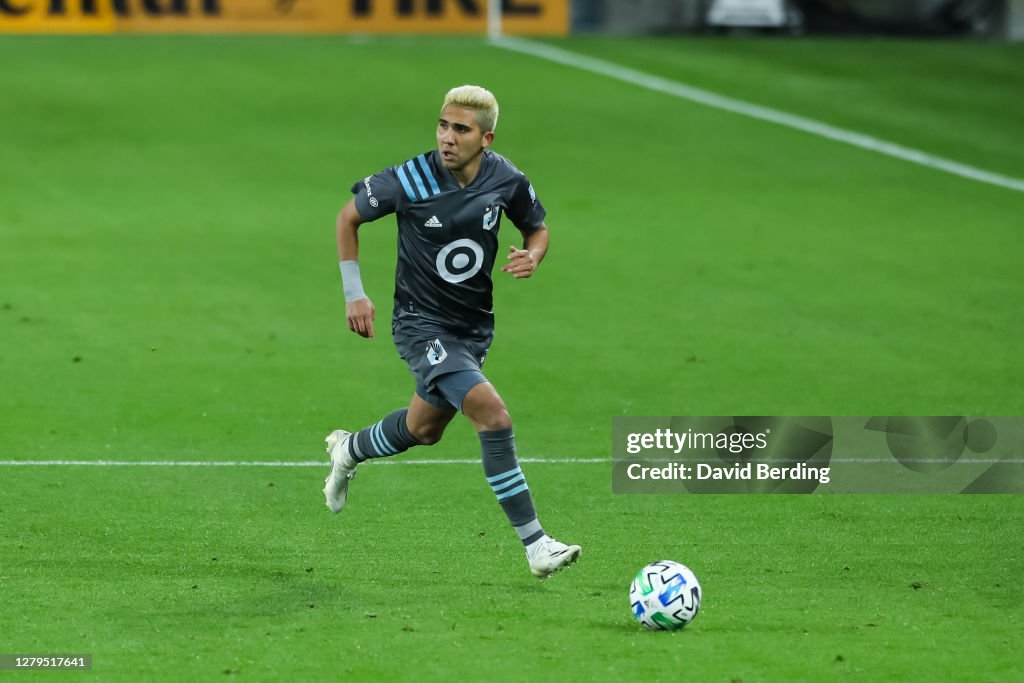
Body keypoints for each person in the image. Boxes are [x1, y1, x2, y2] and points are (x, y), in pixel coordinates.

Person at [323, 85, 581, 579]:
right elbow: (348, 217)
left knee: (424, 429)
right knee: (493, 415)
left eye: (460, 129)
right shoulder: (409, 178)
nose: (447, 137)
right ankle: (536, 545)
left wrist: (535, 253)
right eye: (443, 125)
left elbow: (537, 226)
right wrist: (354, 292)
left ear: (486, 138)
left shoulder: (505, 177)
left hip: (472, 328)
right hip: (421, 325)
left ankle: (349, 448)